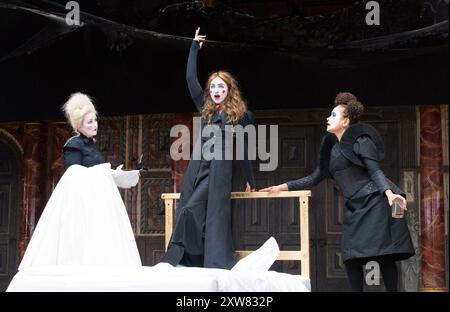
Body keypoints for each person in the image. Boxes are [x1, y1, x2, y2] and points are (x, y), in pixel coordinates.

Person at [259, 92, 414, 291]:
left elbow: (375, 170)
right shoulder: (331, 149)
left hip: (376, 201)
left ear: (345, 121)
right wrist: (282, 186)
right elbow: (314, 177)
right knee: (350, 257)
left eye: (333, 115)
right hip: (355, 206)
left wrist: (389, 193)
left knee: (382, 254)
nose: (327, 118)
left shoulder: (362, 141)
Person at [162, 28, 257, 269]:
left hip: (219, 168)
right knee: (188, 207)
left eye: (220, 87)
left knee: (199, 211)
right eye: (213, 87)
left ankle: (210, 259)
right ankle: (191, 258)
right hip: (198, 165)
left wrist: (250, 178)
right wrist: (194, 48)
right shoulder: (206, 108)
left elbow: (244, 148)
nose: (215, 91)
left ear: (228, 90)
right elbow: (190, 80)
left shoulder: (239, 115)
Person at [18, 92, 142, 270]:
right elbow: (74, 175)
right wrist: (103, 172)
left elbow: (97, 172)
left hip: (99, 203)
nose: (95, 125)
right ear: (79, 125)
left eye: (95, 120)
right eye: (89, 122)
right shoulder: (74, 144)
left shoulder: (90, 145)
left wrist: (118, 175)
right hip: (82, 206)